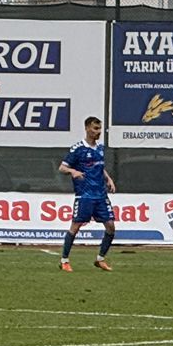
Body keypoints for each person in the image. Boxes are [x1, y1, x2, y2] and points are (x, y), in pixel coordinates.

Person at [56, 115, 117, 273]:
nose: (98, 132)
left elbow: (99, 167)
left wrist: (108, 179)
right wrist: (73, 171)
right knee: (75, 227)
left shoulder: (100, 149)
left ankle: (100, 259)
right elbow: (62, 168)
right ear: (87, 128)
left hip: (101, 194)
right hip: (85, 195)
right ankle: (64, 260)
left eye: (99, 129)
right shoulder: (78, 149)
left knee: (110, 227)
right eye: (95, 128)